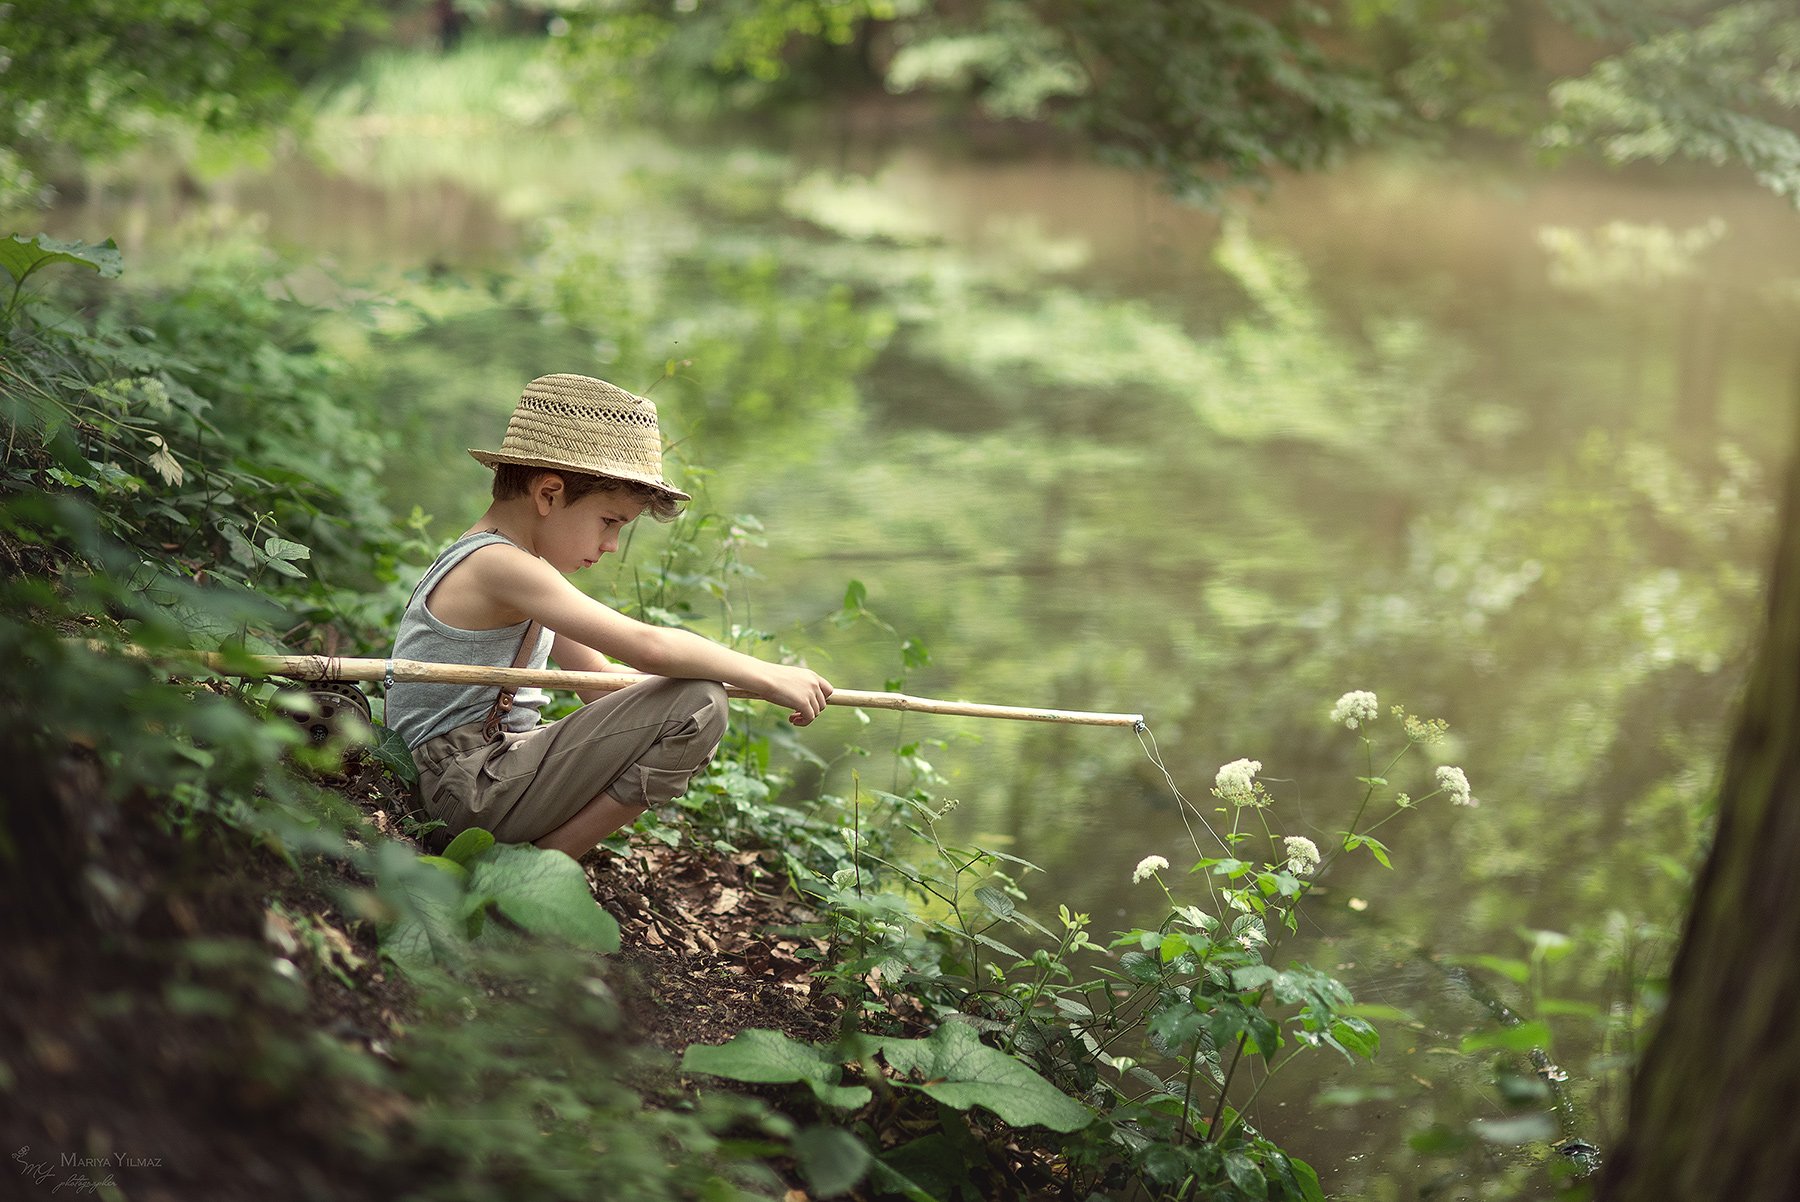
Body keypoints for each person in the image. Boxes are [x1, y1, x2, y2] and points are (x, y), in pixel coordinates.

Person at [385, 373, 832, 859]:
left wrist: (699, 698)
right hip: (457, 788)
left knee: (697, 700)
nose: (611, 546)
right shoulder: (498, 564)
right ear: (549, 494)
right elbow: (648, 647)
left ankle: (536, 860)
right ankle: (546, 863)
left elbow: (597, 680)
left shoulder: (519, 567)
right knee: (698, 704)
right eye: (610, 522)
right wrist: (765, 674)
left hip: (481, 775)